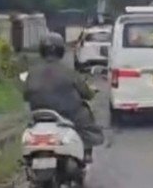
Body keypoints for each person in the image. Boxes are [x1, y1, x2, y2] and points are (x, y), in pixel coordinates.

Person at [23, 32, 104, 163]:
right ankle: (87, 151)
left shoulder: (32, 73)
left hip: (38, 114)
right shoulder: (68, 71)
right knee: (85, 117)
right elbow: (86, 93)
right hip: (68, 114)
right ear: (61, 50)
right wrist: (91, 92)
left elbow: (25, 95)